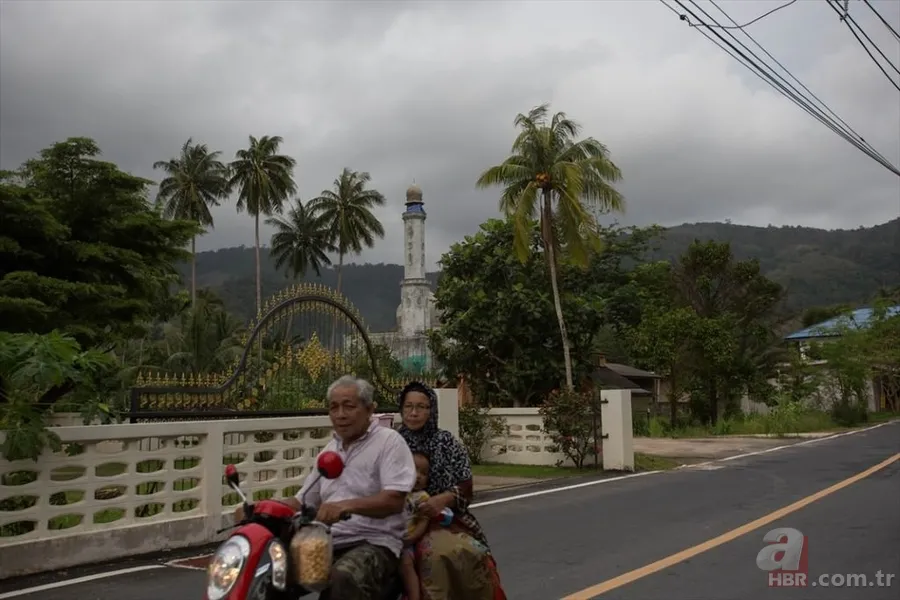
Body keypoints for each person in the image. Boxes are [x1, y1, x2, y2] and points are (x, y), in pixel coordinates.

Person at [290, 375, 417, 599]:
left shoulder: (389, 442)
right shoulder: (329, 450)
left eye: (349, 406)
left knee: (343, 577)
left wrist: (345, 506)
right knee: (274, 573)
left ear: (369, 409)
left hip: (375, 542)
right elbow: (303, 500)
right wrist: (259, 508)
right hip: (327, 542)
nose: (340, 414)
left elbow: (394, 500)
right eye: (334, 407)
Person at [397, 381, 508, 600]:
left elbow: (466, 486)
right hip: (398, 520)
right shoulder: (391, 443)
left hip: (444, 519)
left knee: (462, 553)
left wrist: (442, 499)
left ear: (432, 410)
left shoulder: (446, 442)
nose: (413, 412)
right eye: (408, 406)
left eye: (421, 407)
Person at [399, 452, 434, 600]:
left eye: (423, 473)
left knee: (406, 564)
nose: (418, 476)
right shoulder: (397, 492)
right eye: (414, 470)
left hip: (407, 542)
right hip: (389, 538)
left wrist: (412, 538)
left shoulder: (422, 498)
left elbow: (423, 522)